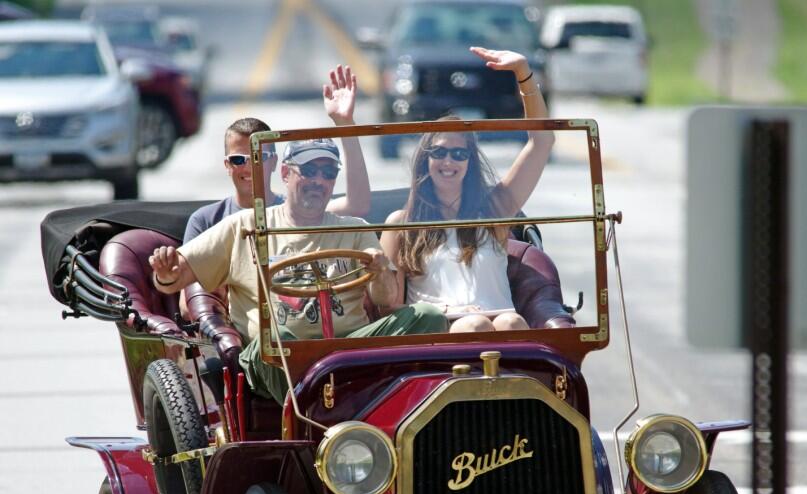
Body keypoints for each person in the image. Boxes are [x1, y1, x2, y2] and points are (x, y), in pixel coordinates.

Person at [149, 137, 448, 406]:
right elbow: (174, 278)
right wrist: (164, 271)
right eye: (308, 170)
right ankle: (315, 418)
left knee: (428, 316)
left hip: (350, 352)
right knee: (279, 337)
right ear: (285, 174)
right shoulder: (247, 226)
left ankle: (399, 409)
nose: (318, 180)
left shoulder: (354, 229)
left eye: (328, 173)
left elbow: (386, 299)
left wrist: (381, 271)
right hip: (275, 355)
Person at [381, 46, 555, 333]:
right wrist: (448, 312)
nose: (448, 161)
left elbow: (542, 143)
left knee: (511, 322)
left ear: (470, 163)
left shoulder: (493, 212)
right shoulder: (402, 224)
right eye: (439, 153)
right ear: (425, 160)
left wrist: (523, 73)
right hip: (440, 329)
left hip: (502, 322)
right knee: (475, 325)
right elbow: (389, 306)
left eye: (459, 155)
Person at [183, 65, 370, 243]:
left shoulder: (297, 209)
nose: (249, 167)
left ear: (274, 163)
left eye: (259, 157)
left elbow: (356, 205)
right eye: (238, 160)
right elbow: (184, 274)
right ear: (227, 166)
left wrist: (345, 123)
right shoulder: (205, 221)